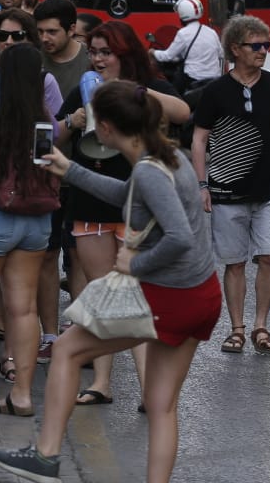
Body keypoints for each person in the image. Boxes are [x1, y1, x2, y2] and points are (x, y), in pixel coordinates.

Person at [0, 81, 220, 483]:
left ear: (108, 128)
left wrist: (136, 264)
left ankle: (45, 457)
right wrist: (70, 170)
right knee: (162, 405)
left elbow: (180, 237)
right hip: (200, 296)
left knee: (66, 350)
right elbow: (127, 195)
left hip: (170, 296)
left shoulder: (149, 171)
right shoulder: (167, 157)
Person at [58, 21, 189, 406]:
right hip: (91, 202)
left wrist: (134, 91)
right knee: (103, 292)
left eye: (107, 52)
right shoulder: (85, 87)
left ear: (125, 54)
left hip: (138, 207)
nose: (98, 60)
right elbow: (55, 136)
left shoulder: (147, 88)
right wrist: (72, 122)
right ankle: (101, 382)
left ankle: (149, 389)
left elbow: (182, 112)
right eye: (94, 52)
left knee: (138, 297)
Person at [191, 15, 270, 356]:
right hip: (226, 191)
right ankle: (237, 329)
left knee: (269, 257)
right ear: (235, 49)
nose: (263, 51)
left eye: (266, 45)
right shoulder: (215, 91)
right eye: (255, 45)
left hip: (269, 187)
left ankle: (261, 326)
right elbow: (199, 139)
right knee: (235, 262)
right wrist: (202, 184)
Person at [0, 45, 59, 416]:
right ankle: (22, 395)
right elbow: (45, 166)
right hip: (36, 221)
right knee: (24, 310)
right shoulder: (44, 119)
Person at [149, 0, 222, 92]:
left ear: (182, 14)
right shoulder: (211, 32)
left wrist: (153, 52)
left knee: (172, 91)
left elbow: (167, 56)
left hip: (193, 78)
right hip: (215, 78)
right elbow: (221, 53)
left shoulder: (183, 33)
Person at [34, 0, 90, 102]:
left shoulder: (90, 59)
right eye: (40, 31)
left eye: (52, 32)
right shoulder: (33, 56)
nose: (44, 38)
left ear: (71, 30)